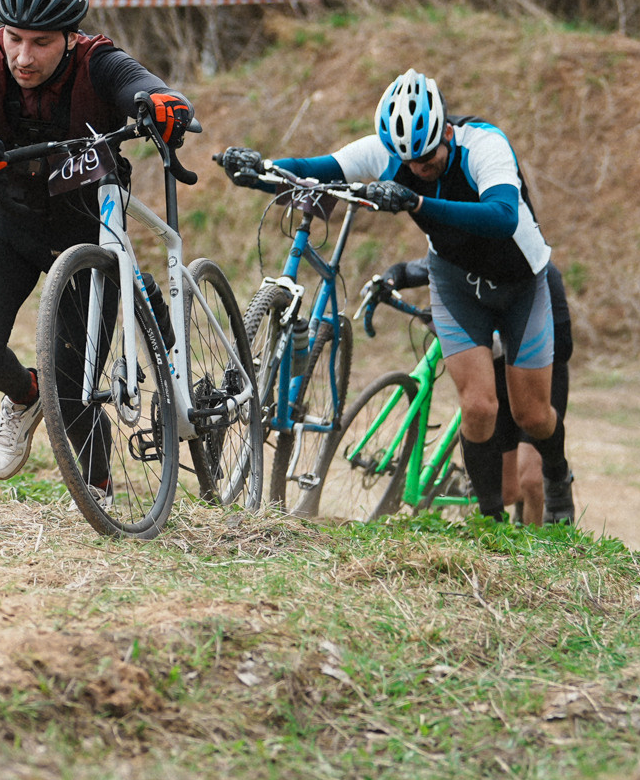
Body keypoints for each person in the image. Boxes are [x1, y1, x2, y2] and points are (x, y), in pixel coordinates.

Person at [223, 70, 575, 524]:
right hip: (455, 282)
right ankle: (490, 524)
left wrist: (416, 202)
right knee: (478, 407)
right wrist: (258, 171)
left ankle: (558, 474)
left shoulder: (484, 145)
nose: (418, 168)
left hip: (522, 283)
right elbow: (317, 169)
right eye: (408, 162)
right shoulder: (388, 153)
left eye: (427, 158)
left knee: (533, 415)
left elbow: (503, 215)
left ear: (446, 132)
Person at [0, 0, 193, 487]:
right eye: (15, 38)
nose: (23, 57)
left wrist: (165, 105)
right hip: (10, 222)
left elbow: (145, 88)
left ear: (71, 38)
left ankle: (100, 496)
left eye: (42, 43)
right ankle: (26, 396)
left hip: (88, 229)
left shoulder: (99, 61)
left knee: (72, 390)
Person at [373, 257, 574, 525]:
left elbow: (563, 347)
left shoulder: (541, 271)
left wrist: (510, 335)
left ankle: (536, 542)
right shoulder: (462, 256)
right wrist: (387, 280)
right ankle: (511, 516)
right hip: (498, 379)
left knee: (530, 479)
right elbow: (409, 271)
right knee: (508, 491)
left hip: (539, 378)